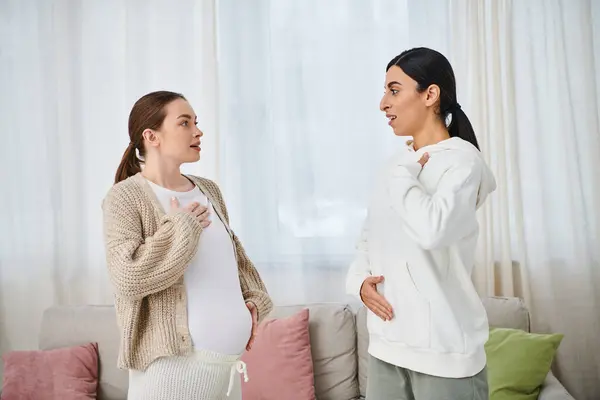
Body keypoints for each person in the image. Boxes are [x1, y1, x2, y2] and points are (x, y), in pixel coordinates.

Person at [346, 47, 496, 400]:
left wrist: (404, 174)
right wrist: (359, 284)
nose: (383, 103)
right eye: (385, 91)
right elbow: (369, 238)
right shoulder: (397, 165)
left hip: (445, 355)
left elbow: (433, 229)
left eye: (394, 90)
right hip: (387, 346)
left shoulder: (462, 163)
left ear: (430, 94)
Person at [102, 91, 273, 400]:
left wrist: (252, 301)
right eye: (184, 123)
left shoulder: (208, 190)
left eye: (196, 122)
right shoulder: (125, 198)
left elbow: (234, 261)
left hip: (227, 370)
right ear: (151, 136)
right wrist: (182, 227)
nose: (198, 131)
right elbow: (128, 278)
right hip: (172, 374)